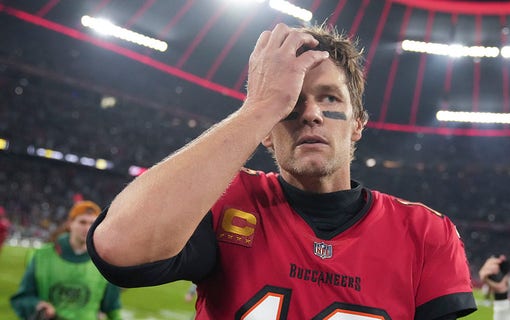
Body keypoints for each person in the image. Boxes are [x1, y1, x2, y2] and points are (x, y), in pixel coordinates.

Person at [86, 23, 477, 319]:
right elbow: (119, 247)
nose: (310, 113)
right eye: (289, 102)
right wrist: (258, 107)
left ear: (358, 123)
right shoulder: (224, 198)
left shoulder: (426, 233)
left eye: (329, 97)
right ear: (267, 134)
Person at [10, 201, 122, 320]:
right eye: (82, 222)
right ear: (70, 223)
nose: (87, 228)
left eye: (92, 223)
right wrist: (37, 306)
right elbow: (22, 298)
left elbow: (112, 307)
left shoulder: (104, 260)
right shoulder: (41, 256)